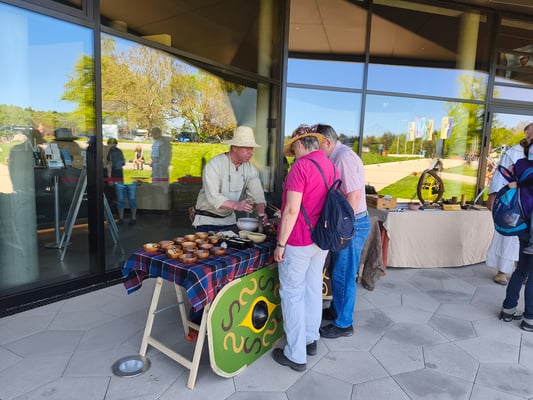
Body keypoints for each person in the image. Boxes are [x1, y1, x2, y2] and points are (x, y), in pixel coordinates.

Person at [271, 124, 335, 372]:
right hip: (321, 239)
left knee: (292, 294)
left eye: (293, 149)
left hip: (298, 239)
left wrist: (280, 244)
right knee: (312, 288)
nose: (293, 154)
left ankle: (295, 354)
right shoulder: (329, 165)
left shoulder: (300, 166)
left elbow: (291, 210)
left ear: (299, 145)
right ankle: (310, 339)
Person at [315, 123, 370, 339]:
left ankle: (344, 323)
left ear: (327, 142)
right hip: (349, 223)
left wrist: (341, 229)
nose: (314, 149)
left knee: (344, 273)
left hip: (352, 224)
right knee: (338, 269)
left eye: (317, 144)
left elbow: (353, 196)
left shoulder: (344, 158)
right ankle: (337, 310)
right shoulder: (337, 156)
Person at [192, 126, 267, 233]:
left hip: (229, 220)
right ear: (235, 147)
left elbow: (257, 195)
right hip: (207, 221)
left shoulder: (250, 169)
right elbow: (213, 197)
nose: (251, 153)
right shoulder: (214, 165)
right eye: (247, 148)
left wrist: (261, 214)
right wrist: (237, 205)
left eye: (252, 149)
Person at [486, 123, 533, 284]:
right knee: (509, 235)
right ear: (527, 133)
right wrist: (493, 196)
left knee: (528, 237)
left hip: (530, 203)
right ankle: (502, 271)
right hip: (514, 201)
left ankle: (523, 270)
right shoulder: (514, 152)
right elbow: (500, 175)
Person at [106, 138, 137, 226]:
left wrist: (110, 178)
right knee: (131, 199)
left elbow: (109, 165)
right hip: (130, 177)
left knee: (121, 199)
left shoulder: (112, 151)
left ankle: (121, 218)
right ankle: (133, 218)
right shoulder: (119, 151)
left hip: (120, 178)